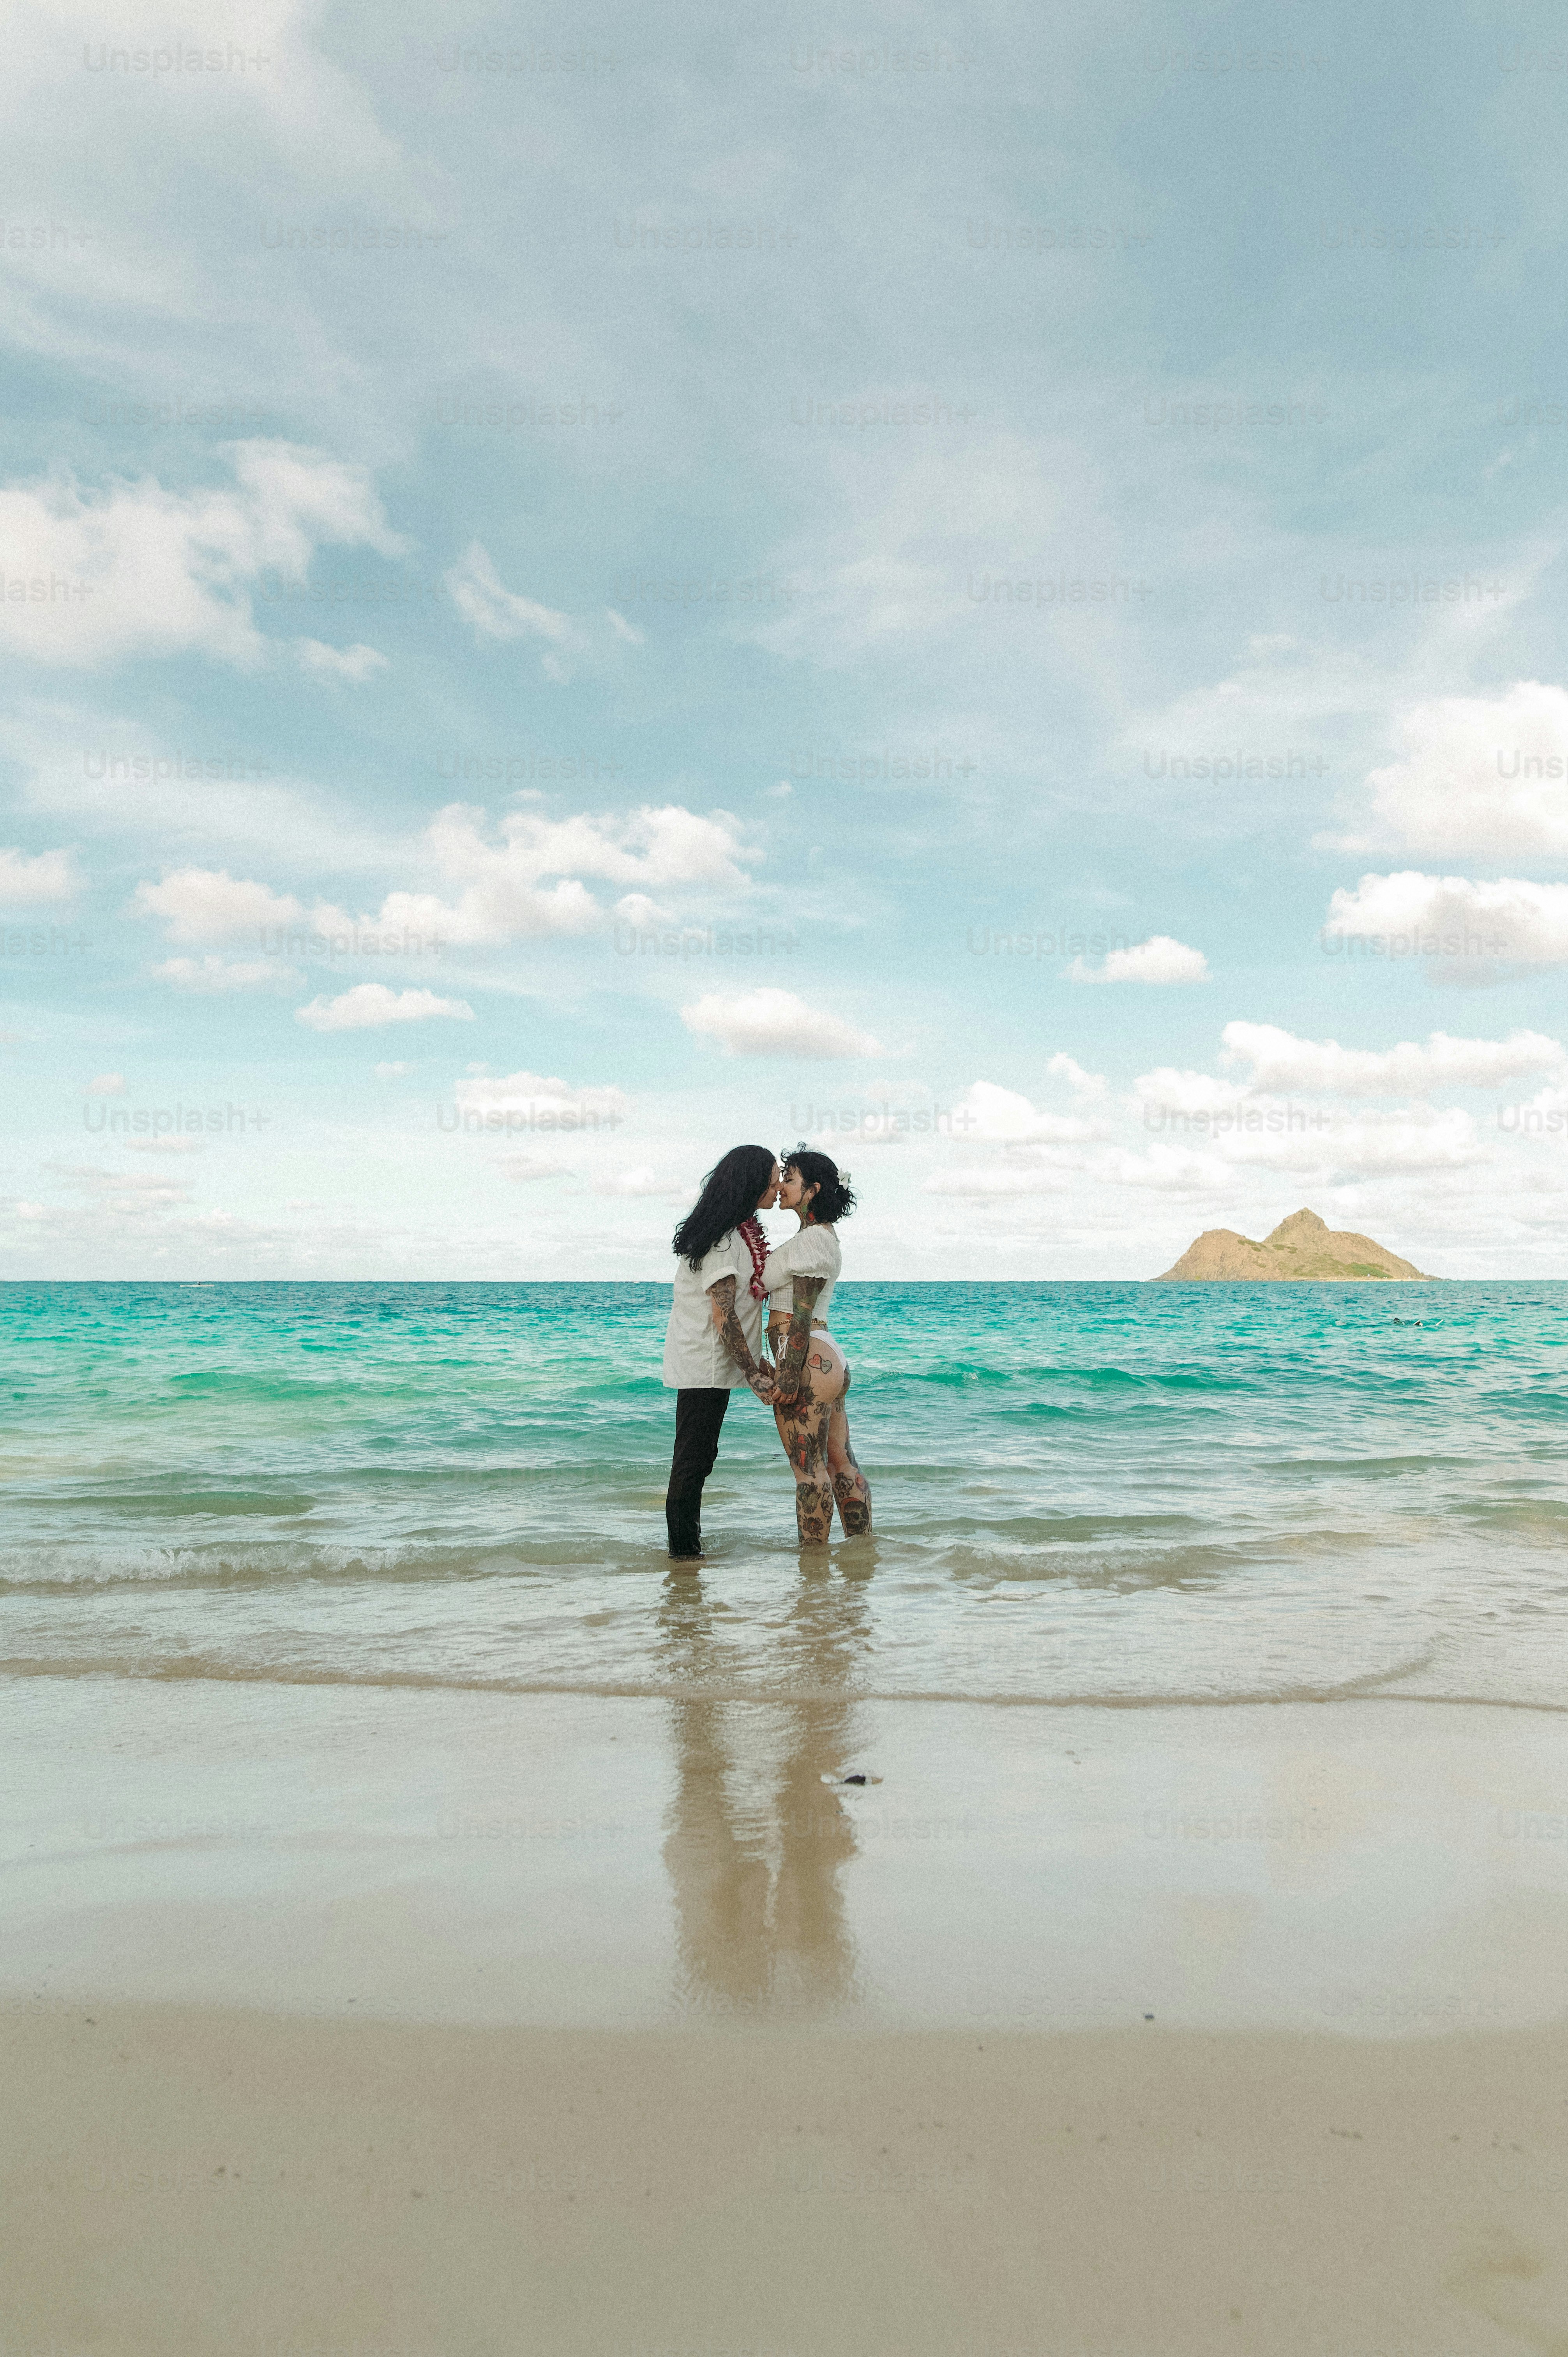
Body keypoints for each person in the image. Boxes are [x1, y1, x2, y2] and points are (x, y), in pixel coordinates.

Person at [662, 1144, 780, 1561]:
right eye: (773, 1181)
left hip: (712, 1364)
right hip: (705, 1364)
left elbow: (741, 1310)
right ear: (752, 1184)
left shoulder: (738, 1233)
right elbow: (723, 1314)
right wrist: (753, 1373)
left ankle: (686, 1555)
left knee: (699, 1460)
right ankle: (684, 1557)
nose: (778, 1188)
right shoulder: (725, 1241)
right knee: (693, 1463)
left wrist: (757, 1359)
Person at [761, 1145, 872, 1548]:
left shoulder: (813, 1240)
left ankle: (813, 1565)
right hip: (824, 1355)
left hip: (805, 1356)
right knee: (840, 1460)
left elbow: (803, 1311)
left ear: (813, 1190)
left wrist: (789, 1371)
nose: (781, 1186)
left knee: (809, 1471)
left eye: (789, 1179)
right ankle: (861, 1553)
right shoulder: (817, 1237)